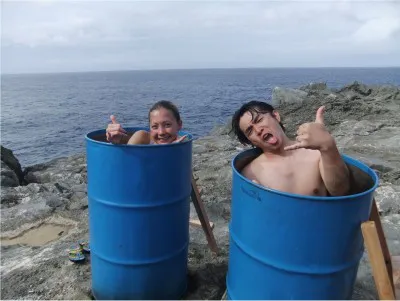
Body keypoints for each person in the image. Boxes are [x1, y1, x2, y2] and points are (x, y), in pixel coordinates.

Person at [231, 101, 350, 197]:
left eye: (259, 120)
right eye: (250, 131)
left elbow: (341, 192)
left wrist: (327, 144)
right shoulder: (250, 173)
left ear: (276, 116)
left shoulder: (317, 154)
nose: (258, 130)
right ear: (249, 141)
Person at [106, 100, 187, 145]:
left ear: (179, 125)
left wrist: (176, 151)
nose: (161, 132)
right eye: (155, 127)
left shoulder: (183, 145)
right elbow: (127, 162)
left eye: (167, 125)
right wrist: (117, 143)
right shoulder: (142, 137)